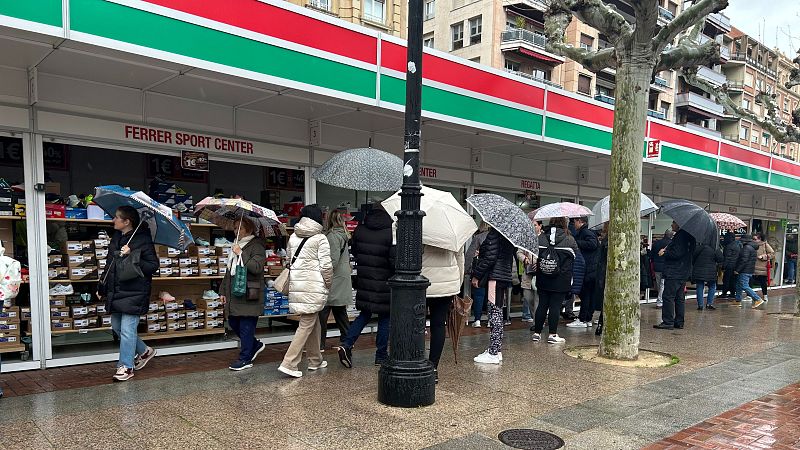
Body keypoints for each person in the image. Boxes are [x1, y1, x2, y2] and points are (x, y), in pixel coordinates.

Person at [98, 206, 159, 382]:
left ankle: (125, 366)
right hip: (116, 289)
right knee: (117, 328)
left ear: (127, 222)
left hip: (135, 291)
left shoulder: (143, 240)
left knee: (127, 330)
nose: (113, 220)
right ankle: (145, 351)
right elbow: (110, 264)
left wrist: (133, 255)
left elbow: (153, 266)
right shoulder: (116, 238)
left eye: (117, 218)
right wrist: (101, 284)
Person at [279, 205, 333, 378]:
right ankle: (289, 362)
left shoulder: (293, 237)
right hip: (314, 288)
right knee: (306, 324)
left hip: (298, 286)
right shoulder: (320, 239)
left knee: (313, 322)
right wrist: (328, 283)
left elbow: (287, 261)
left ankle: (315, 360)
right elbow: (326, 266)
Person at [337, 204, 394, 368]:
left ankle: (347, 343)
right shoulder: (391, 231)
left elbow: (354, 250)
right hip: (385, 281)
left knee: (364, 314)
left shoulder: (360, 229)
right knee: (385, 317)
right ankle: (381, 355)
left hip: (365, 278)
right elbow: (393, 258)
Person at [220, 218, 267, 371]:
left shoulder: (257, 245)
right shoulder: (236, 244)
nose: (236, 231)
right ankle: (255, 345)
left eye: (239, 228)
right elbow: (229, 271)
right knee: (233, 322)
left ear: (249, 229)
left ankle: (245, 358)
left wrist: (241, 253)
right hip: (235, 292)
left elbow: (257, 267)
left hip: (249, 293)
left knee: (246, 327)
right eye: (234, 228)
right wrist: (222, 291)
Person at [471, 226, 515, 364]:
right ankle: (496, 349)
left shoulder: (495, 234)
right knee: (498, 313)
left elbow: (490, 258)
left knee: (494, 313)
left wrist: (476, 275)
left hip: (495, 276)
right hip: (503, 276)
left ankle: (493, 352)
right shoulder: (508, 234)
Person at [532, 217, 577, 344]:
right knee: (555, 306)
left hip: (543, 276)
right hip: (561, 279)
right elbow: (575, 256)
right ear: (564, 224)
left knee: (542, 304)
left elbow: (535, 255)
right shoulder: (569, 239)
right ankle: (552, 334)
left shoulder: (541, 237)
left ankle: (537, 333)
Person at [423, 244, 464, 381]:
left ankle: (415, 363)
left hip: (423, 280)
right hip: (447, 283)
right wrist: (457, 284)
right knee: (439, 325)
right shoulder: (453, 226)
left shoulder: (424, 225)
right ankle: (433, 368)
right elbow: (460, 258)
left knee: (417, 324)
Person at [319, 209, 352, 352]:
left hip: (334, 277)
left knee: (323, 311)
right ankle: (347, 340)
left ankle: (319, 344)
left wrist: (321, 271)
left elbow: (332, 260)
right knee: (340, 311)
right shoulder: (343, 235)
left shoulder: (332, 236)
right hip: (342, 276)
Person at [654, 221, 695, 330]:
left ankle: (668, 321)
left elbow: (676, 253)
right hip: (683, 271)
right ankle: (679, 321)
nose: (672, 225)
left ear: (679, 224)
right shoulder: (689, 236)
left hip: (675, 271)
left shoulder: (681, 236)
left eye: (673, 222)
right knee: (679, 297)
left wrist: (665, 252)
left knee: (668, 296)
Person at [567, 217, 598, 328]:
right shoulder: (586, 231)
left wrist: (576, 242)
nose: (574, 224)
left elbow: (593, 244)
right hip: (591, 269)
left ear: (580, 221)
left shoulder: (585, 232)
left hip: (587, 269)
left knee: (585, 295)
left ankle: (582, 319)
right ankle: (587, 318)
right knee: (589, 295)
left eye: (575, 222)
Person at [465, 223, 489, 327]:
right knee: (491, 297)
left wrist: (466, 270)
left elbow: (469, 255)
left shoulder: (478, 238)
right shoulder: (499, 238)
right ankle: (490, 320)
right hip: (493, 271)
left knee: (479, 295)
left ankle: (477, 320)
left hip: (480, 271)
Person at [692, 242, 723, 311]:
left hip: (699, 270)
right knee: (712, 286)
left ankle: (700, 305)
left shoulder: (698, 248)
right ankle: (709, 304)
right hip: (711, 271)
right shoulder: (715, 248)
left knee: (700, 286)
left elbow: (693, 258)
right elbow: (720, 259)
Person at [734, 234, 761, 307]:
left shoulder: (746, 248)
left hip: (744, 270)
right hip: (749, 270)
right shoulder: (752, 248)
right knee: (739, 285)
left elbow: (743, 260)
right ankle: (737, 300)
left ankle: (757, 299)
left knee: (744, 285)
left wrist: (737, 270)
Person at [593, 223, 609, 336]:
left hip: (603, 273)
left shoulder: (604, 240)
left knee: (605, 299)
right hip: (606, 273)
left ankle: (601, 323)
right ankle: (602, 323)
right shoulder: (607, 241)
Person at [651, 230, 673, 308]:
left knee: (659, 284)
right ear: (671, 235)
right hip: (665, 266)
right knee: (663, 284)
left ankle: (660, 300)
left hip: (657, 266)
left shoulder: (656, 243)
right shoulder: (671, 243)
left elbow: (652, 254)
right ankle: (660, 301)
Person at [752, 232, 775, 308]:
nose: (754, 240)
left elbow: (772, 254)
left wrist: (764, 256)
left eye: (755, 239)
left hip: (762, 267)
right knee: (750, 280)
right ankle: (750, 296)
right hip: (753, 266)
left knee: (762, 282)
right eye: (753, 239)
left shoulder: (765, 245)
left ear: (760, 239)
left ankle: (765, 295)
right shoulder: (752, 245)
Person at [720, 232, 741, 298]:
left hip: (729, 266)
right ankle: (732, 293)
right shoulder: (738, 245)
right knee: (733, 280)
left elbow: (727, 258)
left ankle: (724, 293)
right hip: (736, 265)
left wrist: (723, 266)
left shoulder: (729, 246)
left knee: (726, 279)